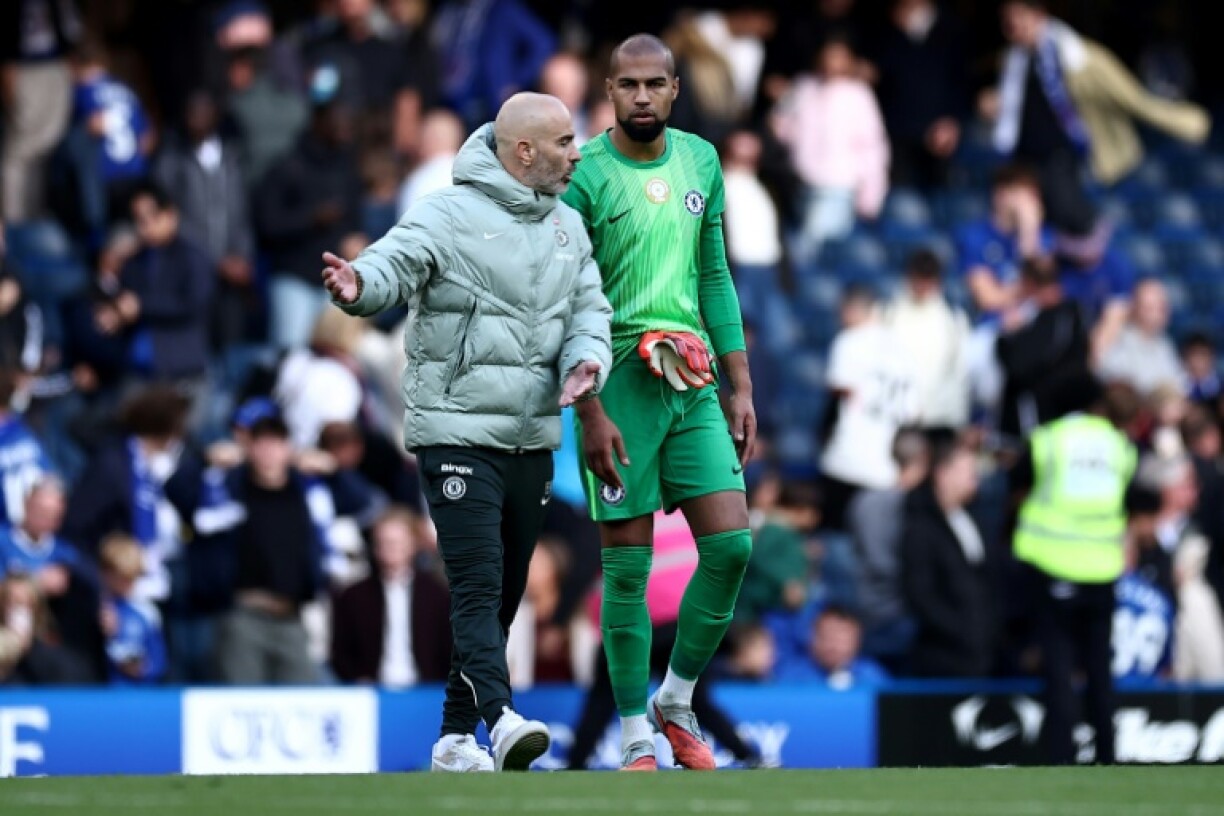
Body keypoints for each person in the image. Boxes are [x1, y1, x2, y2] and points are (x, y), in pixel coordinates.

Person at [322, 92, 612, 772]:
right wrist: (360, 284)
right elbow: (393, 263)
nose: (577, 154)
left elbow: (589, 310)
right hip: (456, 432)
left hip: (531, 437)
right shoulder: (447, 213)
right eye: (565, 142)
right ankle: (501, 720)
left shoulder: (569, 226)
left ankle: (454, 740)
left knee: (504, 594)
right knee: (478, 584)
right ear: (524, 152)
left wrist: (587, 360)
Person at [559, 34, 756, 772]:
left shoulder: (701, 161)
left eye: (654, 84)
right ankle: (634, 732)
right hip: (617, 386)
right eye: (627, 84)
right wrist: (588, 411)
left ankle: (676, 699)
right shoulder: (584, 176)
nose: (641, 96)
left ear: (675, 88)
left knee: (731, 547)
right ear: (608, 90)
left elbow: (715, 275)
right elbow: (563, 298)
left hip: (692, 382)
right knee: (626, 571)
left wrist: (740, 384)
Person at [1011, 374, 1136, 764]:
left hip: (1054, 566)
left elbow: (1017, 487)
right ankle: (1107, 756)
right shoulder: (1119, 445)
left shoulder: (1049, 440)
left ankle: (1061, 758)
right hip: (1102, 569)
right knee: (1100, 671)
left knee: (1060, 670)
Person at [329, 506, 451, 686]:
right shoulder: (353, 596)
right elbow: (340, 652)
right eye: (383, 542)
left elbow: (450, 650)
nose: (390, 548)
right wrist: (358, 679)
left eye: (397, 542)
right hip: (371, 691)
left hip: (427, 691)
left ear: (413, 545)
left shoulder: (437, 595)